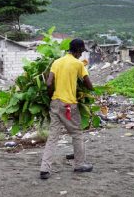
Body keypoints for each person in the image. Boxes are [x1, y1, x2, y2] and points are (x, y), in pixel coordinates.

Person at [40, 38, 94, 179]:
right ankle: (79, 164)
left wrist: (52, 95)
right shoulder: (78, 64)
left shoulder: (57, 62)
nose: (82, 54)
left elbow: (49, 82)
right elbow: (89, 85)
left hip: (55, 103)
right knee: (77, 133)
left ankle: (45, 169)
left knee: (52, 136)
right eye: (81, 51)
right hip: (69, 106)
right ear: (77, 51)